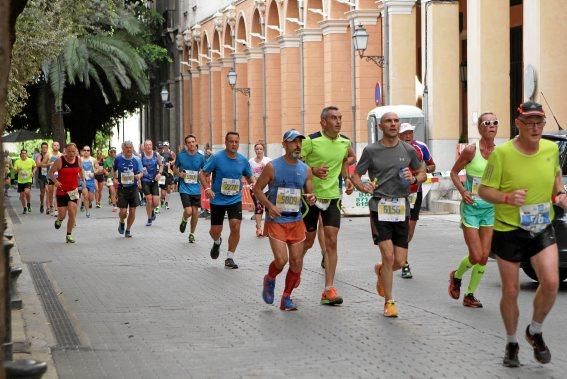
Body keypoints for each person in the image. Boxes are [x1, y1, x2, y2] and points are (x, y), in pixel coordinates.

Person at [479, 101, 566, 367]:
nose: (535, 127)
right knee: (512, 290)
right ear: (518, 124)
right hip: (508, 230)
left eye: (539, 122)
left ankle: (535, 331)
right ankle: (511, 341)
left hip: (540, 226)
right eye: (529, 122)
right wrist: (506, 197)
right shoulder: (502, 154)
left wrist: (560, 195)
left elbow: (555, 177)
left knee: (551, 283)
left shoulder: (551, 149)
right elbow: (483, 190)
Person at [350, 112, 426, 317]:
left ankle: (381, 270)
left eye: (395, 121)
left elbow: (422, 172)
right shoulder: (371, 150)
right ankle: (389, 302)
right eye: (388, 121)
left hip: (401, 208)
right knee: (389, 255)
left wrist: (414, 178)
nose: (393, 124)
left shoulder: (408, 149)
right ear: (381, 126)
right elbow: (356, 175)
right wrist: (362, 186)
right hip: (379, 207)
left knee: (399, 262)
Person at [256, 130, 316, 311]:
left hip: (296, 220)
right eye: (293, 142)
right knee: (281, 261)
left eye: (300, 142)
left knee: (297, 261)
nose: (297, 145)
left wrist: (311, 198)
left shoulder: (305, 169)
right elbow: (258, 189)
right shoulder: (272, 167)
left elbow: (309, 193)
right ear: (284, 144)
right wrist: (269, 206)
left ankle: (287, 297)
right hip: (276, 220)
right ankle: (270, 278)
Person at [301, 106, 354, 305]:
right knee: (308, 241)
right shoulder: (310, 140)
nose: (338, 121)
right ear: (323, 122)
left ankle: (328, 289)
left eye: (340, 118)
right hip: (311, 197)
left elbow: (347, 158)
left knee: (331, 240)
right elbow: (296, 160)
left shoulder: (344, 141)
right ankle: (295, 270)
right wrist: (312, 170)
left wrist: (347, 178)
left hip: (332, 196)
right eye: (333, 118)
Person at [448, 113, 498, 308]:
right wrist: (462, 191)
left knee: (484, 257)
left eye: (495, 122)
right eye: (487, 123)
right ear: (479, 127)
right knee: (476, 255)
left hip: (490, 209)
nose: (492, 126)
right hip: (471, 208)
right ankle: (456, 275)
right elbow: (453, 172)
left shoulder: (500, 153)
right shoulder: (471, 150)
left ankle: (470, 294)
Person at [199, 132, 254, 269]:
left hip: (235, 199)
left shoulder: (243, 160)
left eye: (236, 142)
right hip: (217, 199)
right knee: (215, 231)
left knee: (235, 225)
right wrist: (207, 189)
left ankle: (230, 257)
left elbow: (250, 178)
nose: (234, 144)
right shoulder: (216, 158)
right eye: (231, 141)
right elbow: (202, 174)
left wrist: (257, 187)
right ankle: (217, 242)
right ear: (226, 142)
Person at [397, 123, 436, 279]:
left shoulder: (420, 147)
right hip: (397, 193)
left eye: (410, 133)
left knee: (409, 228)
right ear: (399, 135)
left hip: (415, 192)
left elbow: (432, 166)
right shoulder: (393, 148)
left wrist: (422, 170)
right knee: (400, 227)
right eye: (405, 133)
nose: (408, 136)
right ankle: (404, 262)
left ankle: (401, 255)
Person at [49, 143, 83, 243]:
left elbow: (80, 171)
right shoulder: (60, 161)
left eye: (73, 151)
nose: (71, 153)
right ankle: (59, 220)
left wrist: (82, 178)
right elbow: (50, 173)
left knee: (72, 213)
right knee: (63, 215)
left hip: (73, 190)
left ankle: (69, 234)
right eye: (69, 151)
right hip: (62, 191)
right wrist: (55, 181)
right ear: (65, 151)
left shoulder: (78, 160)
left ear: (76, 151)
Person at [175, 134, 206, 242]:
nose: (191, 144)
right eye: (189, 142)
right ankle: (184, 219)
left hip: (196, 188)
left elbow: (205, 171)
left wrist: (201, 175)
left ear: (196, 142)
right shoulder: (181, 156)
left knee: (195, 212)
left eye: (193, 142)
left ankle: (192, 234)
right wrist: (179, 174)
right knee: (188, 211)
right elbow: (175, 168)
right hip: (184, 187)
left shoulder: (201, 157)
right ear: (186, 144)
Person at [113, 141, 142, 238]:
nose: (129, 149)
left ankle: (128, 229)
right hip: (122, 188)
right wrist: (115, 179)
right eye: (127, 148)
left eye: (130, 147)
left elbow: (141, 172)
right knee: (123, 212)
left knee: (133, 210)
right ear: (123, 149)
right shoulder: (118, 158)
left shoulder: (137, 159)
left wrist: (138, 175)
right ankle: (121, 222)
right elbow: (114, 170)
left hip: (133, 188)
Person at [249, 141, 272, 237]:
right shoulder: (251, 162)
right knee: (258, 208)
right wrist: (254, 183)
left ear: (263, 150)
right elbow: (249, 174)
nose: (259, 151)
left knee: (268, 208)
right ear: (254, 150)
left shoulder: (268, 160)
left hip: (267, 188)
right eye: (257, 149)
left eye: (260, 149)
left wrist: (265, 167)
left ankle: (267, 228)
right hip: (256, 188)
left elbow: (273, 173)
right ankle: (259, 228)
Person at [140, 139, 162, 226]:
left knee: (156, 203)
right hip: (145, 180)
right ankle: (149, 218)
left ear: (152, 146)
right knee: (149, 200)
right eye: (146, 145)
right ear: (144, 147)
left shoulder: (156, 155)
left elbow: (161, 165)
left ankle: (151, 210)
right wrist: (138, 180)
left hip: (154, 180)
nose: (148, 146)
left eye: (150, 145)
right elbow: (138, 168)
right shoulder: (141, 156)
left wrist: (159, 173)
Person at [79, 146, 100, 218]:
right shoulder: (80, 159)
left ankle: (87, 203)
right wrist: (80, 175)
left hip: (91, 180)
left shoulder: (93, 160)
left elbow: (98, 168)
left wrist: (94, 173)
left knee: (91, 198)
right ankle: (87, 212)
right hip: (83, 180)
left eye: (88, 150)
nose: (86, 151)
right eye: (84, 150)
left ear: (90, 151)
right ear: (82, 151)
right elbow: (77, 169)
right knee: (86, 196)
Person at [14, 149, 37, 214]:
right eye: (22, 153)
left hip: (28, 180)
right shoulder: (17, 162)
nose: (24, 154)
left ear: (27, 154)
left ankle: (29, 203)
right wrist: (18, 169)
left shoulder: (31, 160)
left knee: (27, 191)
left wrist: (33, 172)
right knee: (21, 196)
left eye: (25, 153)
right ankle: (24, 208)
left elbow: (35, 167)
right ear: (20, 154)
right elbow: (15, 171)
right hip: (20, 181)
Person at [158, 141, 176, 211]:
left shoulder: (171, 153)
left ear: (168, 146)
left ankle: (166, 203)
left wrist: (170, 163)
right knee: (162, 191)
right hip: (162, 173)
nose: (165, 147)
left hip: (169, 173)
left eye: (166, 146)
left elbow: (174, 160)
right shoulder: (160, 153)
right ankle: (162, 200)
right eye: (164, 146)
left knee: (168, 189)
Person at [46, 142, 62, 215]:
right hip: (50, 175)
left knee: (56, 192)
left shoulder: (61, 155)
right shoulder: (48, 154)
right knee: (50, 192)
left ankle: (56, 210)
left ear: (59, 146)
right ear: (52, 146)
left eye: (57, 145)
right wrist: (49, 164)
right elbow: (42, 164)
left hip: (58, 176)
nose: (56, 146)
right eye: (54, 145)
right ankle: (51, 206)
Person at [35, 142, 51, 213]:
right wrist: (48, 164)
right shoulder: (39, 156)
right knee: (42, 193)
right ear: (41, 149)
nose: (44, 149)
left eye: (45, 147)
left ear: (47, 148)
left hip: (48, 175)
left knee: (48, 191)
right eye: (43, 147)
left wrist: (44, 164)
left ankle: (48, 207)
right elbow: (38, 164)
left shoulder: (50, 155)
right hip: (41, 176)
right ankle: (42, 203)